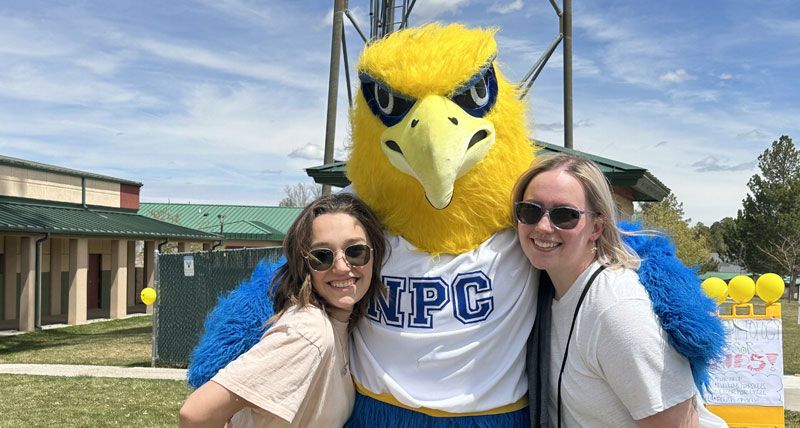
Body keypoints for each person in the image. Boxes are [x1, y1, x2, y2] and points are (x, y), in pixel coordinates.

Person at [512, 154, 727, 427]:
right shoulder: (543, 292)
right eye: (530, 211)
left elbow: (679, 424)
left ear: (597, 227)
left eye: (565, 216)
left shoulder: (617, 309)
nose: (542, 226)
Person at [179, 193, 387, 428]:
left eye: (355, 251)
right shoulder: (309, 332)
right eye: (321, 256)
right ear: (304, 265)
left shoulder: (341, 327)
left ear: (373, 253)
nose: (341, 266)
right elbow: (196, 414)